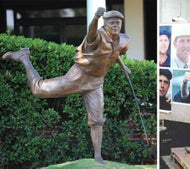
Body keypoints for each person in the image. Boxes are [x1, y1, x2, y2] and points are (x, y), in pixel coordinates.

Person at [2, 7, 131, 165]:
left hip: (96, 82)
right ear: (105, 24)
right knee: (38, 89)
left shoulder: (123, 40)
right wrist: (96, 17)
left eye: (118, 23)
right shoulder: (96, 37)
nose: (116, 25)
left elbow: (114, 52)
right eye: (112, 23)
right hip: (78, 76)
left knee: (97, 120)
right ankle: (23, 57)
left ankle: (98, 155)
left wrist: (123, 66)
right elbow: (91, 33)